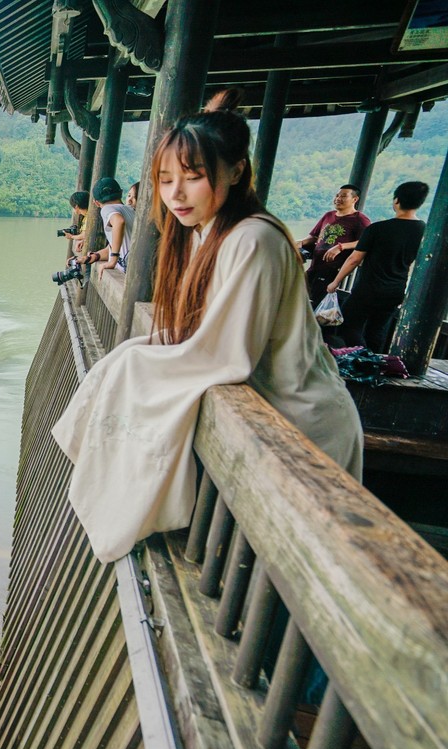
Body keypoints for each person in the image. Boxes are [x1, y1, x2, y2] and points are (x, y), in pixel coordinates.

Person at [51, 89, 363, 563]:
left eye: (192, 178)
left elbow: (224, 356)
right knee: (129, 358)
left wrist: (138, 360)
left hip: (301, 428)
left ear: (236, 171)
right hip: (273, 417)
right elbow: (207, 334)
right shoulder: (209, 233)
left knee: (298, 572)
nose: (174, 194)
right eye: (165, 179)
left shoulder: (253, 240)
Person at [328, 181, 430, 352]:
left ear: (396, 201)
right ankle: (373, 364)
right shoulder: (424, 231)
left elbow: (354, 259)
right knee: (376, 331)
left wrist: (335, 282)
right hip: (395, 290)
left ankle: (363, 358)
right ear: (420, 203)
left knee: (347, 325)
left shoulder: (378, 228)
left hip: (367, 288)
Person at [297, 184, 371, 305]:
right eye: (337, 195)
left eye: (343, 196)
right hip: (315, 266)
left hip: (333, 270)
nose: (338, 198)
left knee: (313, 304)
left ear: (355, 199)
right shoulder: (328, 215)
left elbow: (365, 242)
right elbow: (314, 237)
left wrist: (341, 247)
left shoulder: (360, 219)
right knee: (298, 297)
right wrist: (301, 242)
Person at [75, 177, 133, 275]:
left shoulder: (107, 209)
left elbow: (119, 221)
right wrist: (95, 256)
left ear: (96, 202)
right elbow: (113, 247)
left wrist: (113, 260)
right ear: (121, 193)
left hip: (127, 276)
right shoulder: (132, 210)